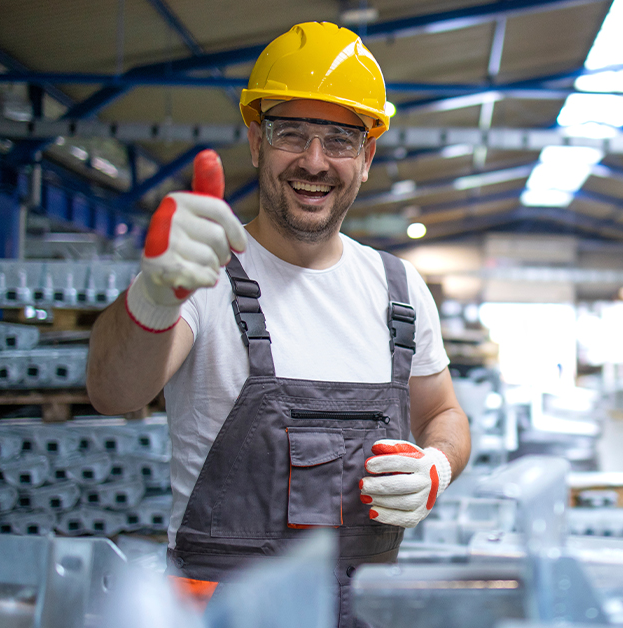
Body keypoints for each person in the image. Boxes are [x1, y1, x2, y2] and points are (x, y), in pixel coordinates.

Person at [85, 21, 470, 627]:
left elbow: (444, 414)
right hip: (222, 614)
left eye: (340, 141)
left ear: (366, 157)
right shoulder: (202, 271)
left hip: (362, 610)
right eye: (292, 134)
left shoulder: (399, 289)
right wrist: (155, 296)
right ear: (256, 142)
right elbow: (113, 392)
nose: (314, 162)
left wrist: (437, 467)